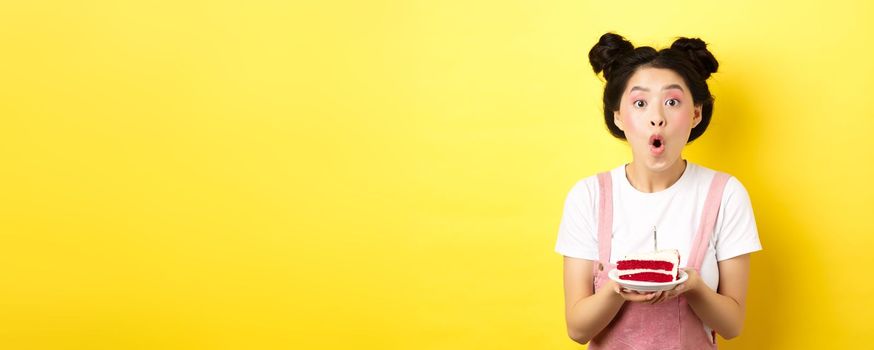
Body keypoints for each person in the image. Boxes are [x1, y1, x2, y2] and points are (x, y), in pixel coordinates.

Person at [554, 33, 762, 349]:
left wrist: (693, 287)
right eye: (640, 103)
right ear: (619, 116)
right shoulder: (588, 196)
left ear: (696, 113)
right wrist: (616, 288)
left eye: (672, 102)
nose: (657, 118)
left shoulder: (726, 194)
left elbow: (732, 325)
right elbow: (578, 330)